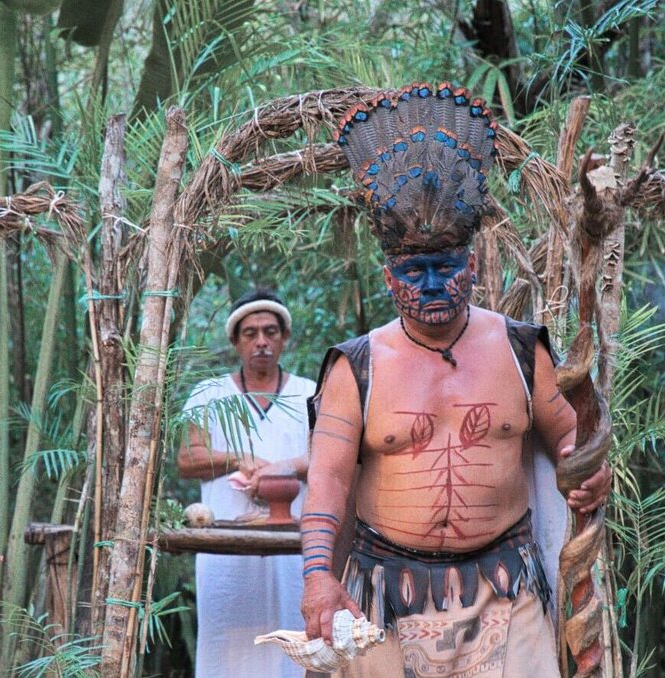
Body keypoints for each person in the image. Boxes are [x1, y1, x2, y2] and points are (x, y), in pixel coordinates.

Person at [298, 82, 612, 677]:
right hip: (383, 598)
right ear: (389, 278)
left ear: (470, 264)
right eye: (414, 270)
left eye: (445, 266)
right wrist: (318, 577)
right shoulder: (355, 366)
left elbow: (569, 439)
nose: (432, 284)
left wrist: (587, 471)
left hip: (507, 591)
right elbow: (328, 484)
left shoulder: (521, 350)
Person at [178, 289, 316, 678]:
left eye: (270, 332)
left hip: (293, 546)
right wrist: (239, 459)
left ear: (284, 338)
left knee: (292, 641)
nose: (261, 342)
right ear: (235, 342)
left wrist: (280, 469)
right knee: (227, 643)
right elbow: (187, 460)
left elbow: (327, 458)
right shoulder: (210, 394)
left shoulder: (309, 393)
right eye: (250, 333)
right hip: (225, 547)